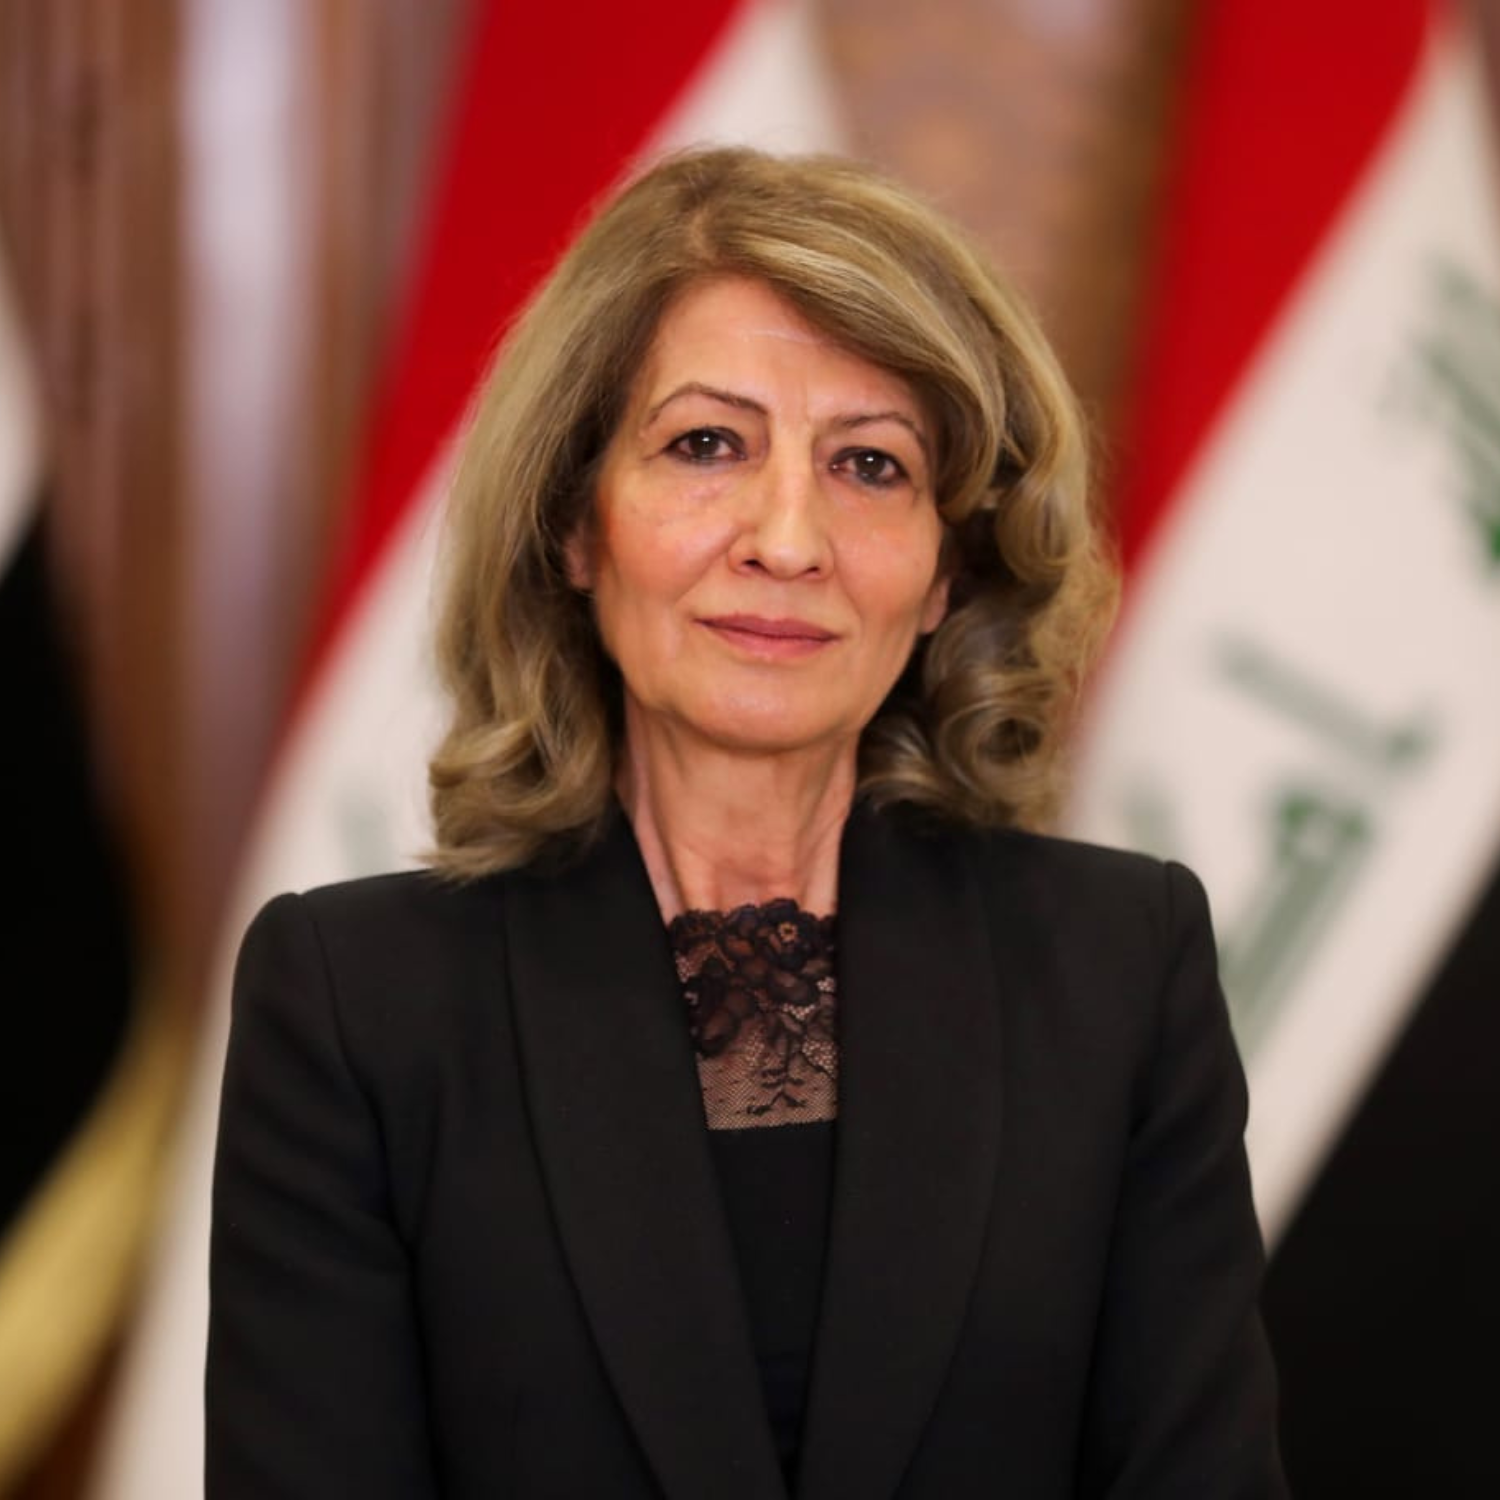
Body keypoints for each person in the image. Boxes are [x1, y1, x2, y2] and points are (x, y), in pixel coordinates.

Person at [207, 147, 1286, 1497]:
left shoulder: (1121, 966)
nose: (788, 539)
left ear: (945, 571)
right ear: (576, 525)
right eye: (707, 445)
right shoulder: (356, 1004)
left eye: (872, 465)